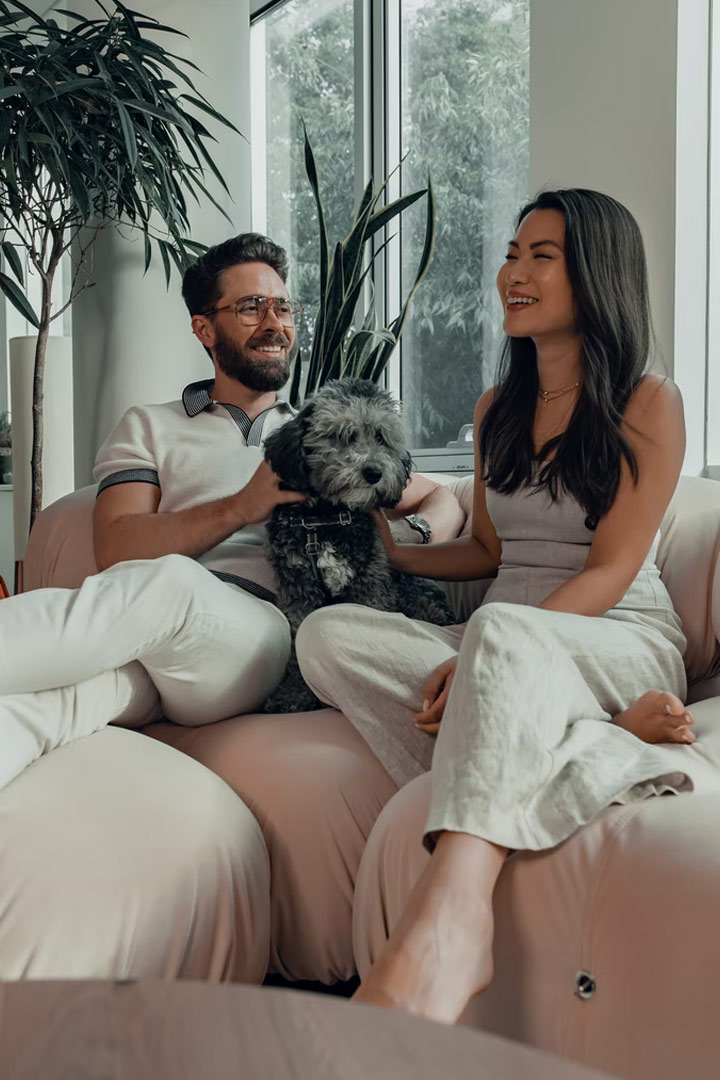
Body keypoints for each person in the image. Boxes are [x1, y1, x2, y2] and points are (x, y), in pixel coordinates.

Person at [294, 189, 699, 1023]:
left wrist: (488, 645)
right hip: (507, 641)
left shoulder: (649, 402)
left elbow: (616, 566)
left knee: (499, 633)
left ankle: (454, 916)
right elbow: (487, 552)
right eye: (513, 253)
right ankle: (602, 745)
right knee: (328, 636)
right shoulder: (495, 410)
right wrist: (399, 551)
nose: (512, 272)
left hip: (615, 634)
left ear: (596, 274)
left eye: (540, 256)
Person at [0, 232, 464, 791]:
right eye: (250, 307)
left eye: (282, 306)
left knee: (168, 585)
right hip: (160, 637)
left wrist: (405, 539)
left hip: (262, 633)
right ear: (203, 327)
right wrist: (244, 505)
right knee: (53, 705)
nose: (274, 322)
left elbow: (445, 498)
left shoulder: (330, 430)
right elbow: (117, 549)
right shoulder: (149, 424)